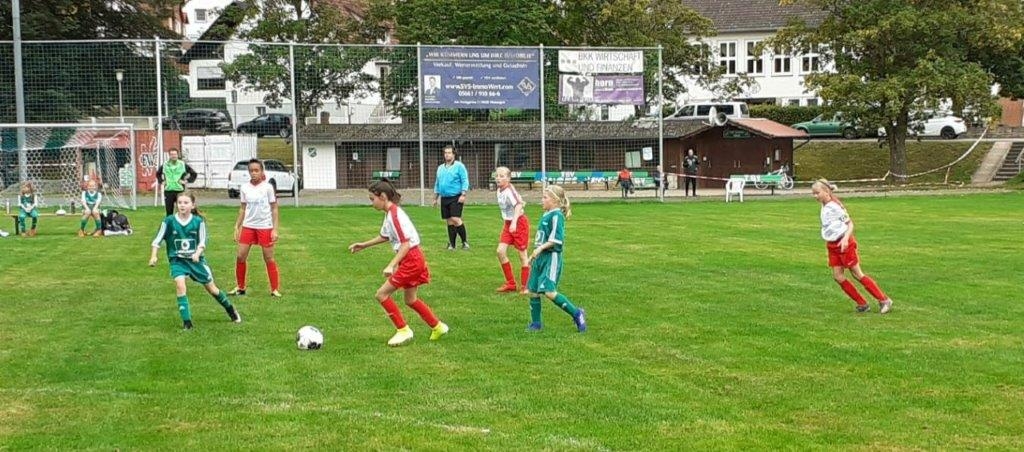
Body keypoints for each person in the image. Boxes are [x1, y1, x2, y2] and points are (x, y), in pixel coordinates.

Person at [348, 179, 450, 347]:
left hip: (411, 260)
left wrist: (391, 265)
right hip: (412, 258)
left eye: (372, 199)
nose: (371, 203)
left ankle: (403, 330)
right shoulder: (390, 213)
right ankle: (438, 326)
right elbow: (385, 236)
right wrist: (363, 245)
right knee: (410, 300)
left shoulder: (395, 215)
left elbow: (405, 244)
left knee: (381, 294)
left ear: (382, 196)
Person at [148, 191, 241, 330]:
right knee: (180, 285)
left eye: (186, 203)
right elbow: (157, 240)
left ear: (192, 205)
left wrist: (197, 253)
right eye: (180, 203)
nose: (182, 205)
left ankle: (230, 309)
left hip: (196, 261)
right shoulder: (169, 221)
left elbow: (202, 241)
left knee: (212, 289)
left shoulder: (198, 222)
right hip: (178, 261)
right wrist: (154, 256)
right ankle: (187, 323)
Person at [812, 179, 893, 314]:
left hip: (844, 244)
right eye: (813, 193)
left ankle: (884, 300)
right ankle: (862, 304)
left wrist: (845, 239)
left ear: (826, 192)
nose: (815, 196)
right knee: (838, 276)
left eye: (817, 193)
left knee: (856, 273)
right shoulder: (825, 204)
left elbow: (850, 224)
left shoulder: (835, 206)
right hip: (832, 245)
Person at [525, 185, 586, 333]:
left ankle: (576, 313)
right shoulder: (547, 214)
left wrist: (540, 248)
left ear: (555, 200)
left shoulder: (557, 216)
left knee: (549, 292)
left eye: (545, 197)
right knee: (533, 291)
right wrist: (535, 253)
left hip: (551, 257)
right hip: (540, 258)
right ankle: (536, 324)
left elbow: (556, 240)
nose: (542, 200)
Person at [229, 159, 282, 297]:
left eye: (256, 170)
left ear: (262, 171)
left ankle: (274, 289)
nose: (253, 173)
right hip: (248, 226)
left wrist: (275, 229)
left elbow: (274, 208)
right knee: (240, 256)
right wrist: (237, 226)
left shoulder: (268, 188)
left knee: (268, 257)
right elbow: (243, 208)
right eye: (251, 170)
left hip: (265, 226)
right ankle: (240, 287)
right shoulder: (244, 188)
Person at [493, 167, 530, 293]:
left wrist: (514, 223)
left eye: (502, 176)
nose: (498, 178)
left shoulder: (509, 190)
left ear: (508, 178)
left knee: (522, 255)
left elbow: (518, 205)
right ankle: (511, 284)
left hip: (519, 223)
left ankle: (525, 286)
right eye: (497, 176)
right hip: (508, 224)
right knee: (500, 251)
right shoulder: (499, 190)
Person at [432, 145, 470, 250]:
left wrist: (463, 194)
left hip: (456, 197)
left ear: (453, 154)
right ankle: (452, 245)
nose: (447, 155)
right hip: (444, 198)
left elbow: (465, 180)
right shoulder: (440, 168)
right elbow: (437, 184)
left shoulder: (459, 166)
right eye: (445, 153)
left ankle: (464, 242)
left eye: (449, 153)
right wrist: (435, 198)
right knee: (449, 221)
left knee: (455, 219)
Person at [156, 148, 198, 216]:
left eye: (175, 154)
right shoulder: (165, 165)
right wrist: (161, 181)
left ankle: (183, 221)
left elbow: (194, 174)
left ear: (177, 155)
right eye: (172, 154)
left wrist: (186, 181)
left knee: (182, 210)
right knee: (169, 211)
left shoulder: (182, 164)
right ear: (169, 155)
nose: (174, 156)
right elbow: (158, 174)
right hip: (168, 190)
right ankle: (169, 222)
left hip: (180, 191)